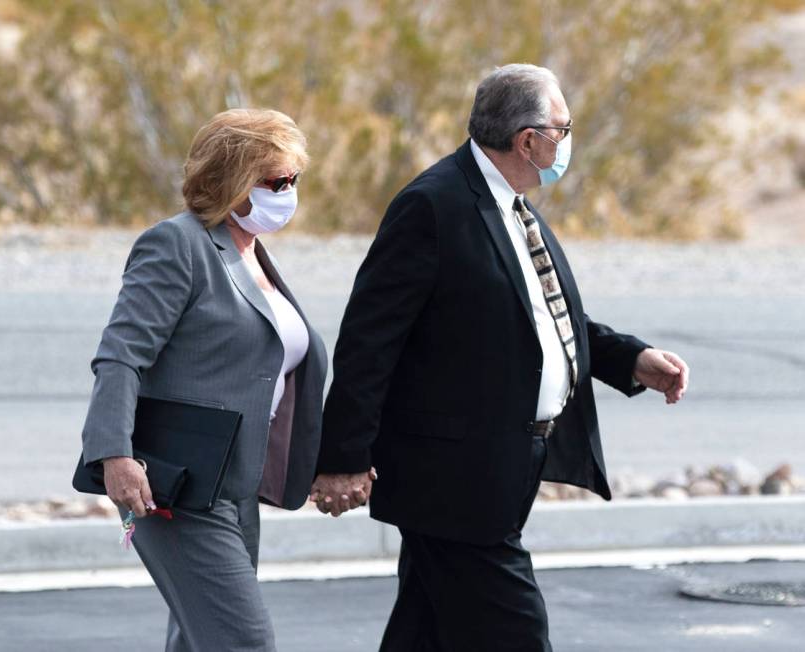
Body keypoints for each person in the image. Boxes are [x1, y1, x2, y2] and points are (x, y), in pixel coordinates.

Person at [311, 64, 690, 651]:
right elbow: (369, 341)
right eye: (562, 130)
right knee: (516, 631)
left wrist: (629, 359)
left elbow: (540, 314)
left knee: (426, 628)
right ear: (527, 140)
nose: (566, 143)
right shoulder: (434, 206)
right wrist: (342, 458)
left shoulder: (510, 203)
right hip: (453, 477)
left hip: (505, 463)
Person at [79, 108, 328, 651]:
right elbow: (121, 355)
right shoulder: (177, 245)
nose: (289, 193)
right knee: (244, 643)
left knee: (199, 643)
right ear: (232, 180)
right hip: (175, 489)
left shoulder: (252, 252)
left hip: (237, 487)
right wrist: (114, 456)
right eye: (276, 181)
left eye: (294, 180)